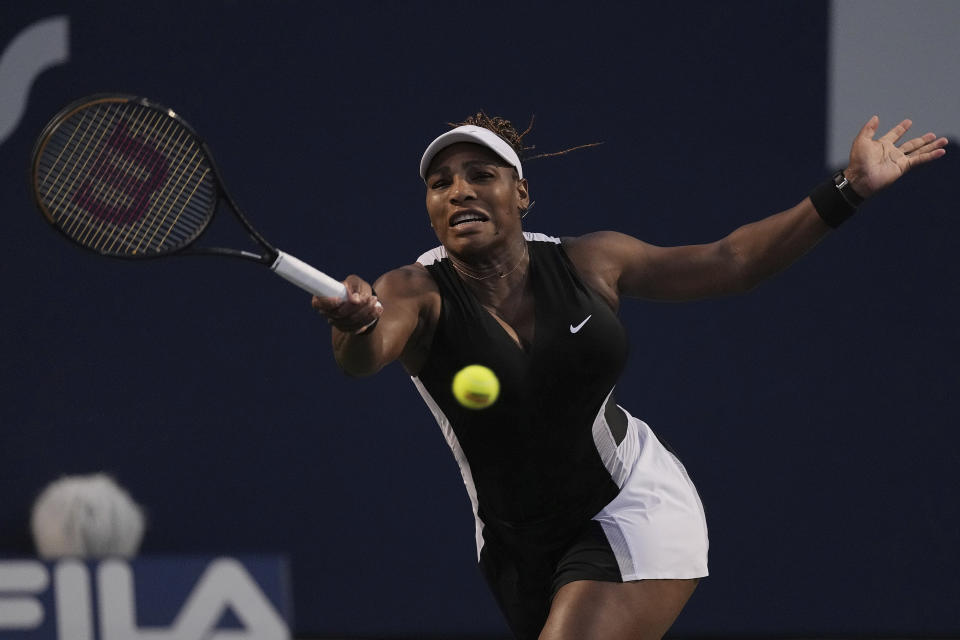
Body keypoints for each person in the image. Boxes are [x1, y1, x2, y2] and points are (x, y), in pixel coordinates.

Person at [311, 113, 947, 639]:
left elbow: (731, 262)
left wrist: (848, 190)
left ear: (522, 194)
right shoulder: (413, 290)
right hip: (514, 546)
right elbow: (362, 357)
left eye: (482, 175)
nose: (459, 191)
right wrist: (357, 320)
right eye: (440, 183)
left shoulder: (592, 261)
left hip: (629, 503)